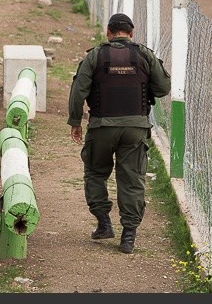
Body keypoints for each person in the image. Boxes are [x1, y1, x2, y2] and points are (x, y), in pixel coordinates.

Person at [67, 13, 171, 254]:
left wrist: (75, 121)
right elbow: (163, 87)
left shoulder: (95, 56)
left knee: (95, 172)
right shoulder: (144, 54)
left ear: (108, 32)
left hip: (102, 127)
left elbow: (78, 91)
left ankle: (104, 223)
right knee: (132, 180)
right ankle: (128, 236)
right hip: (135, 128)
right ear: (131, 33)